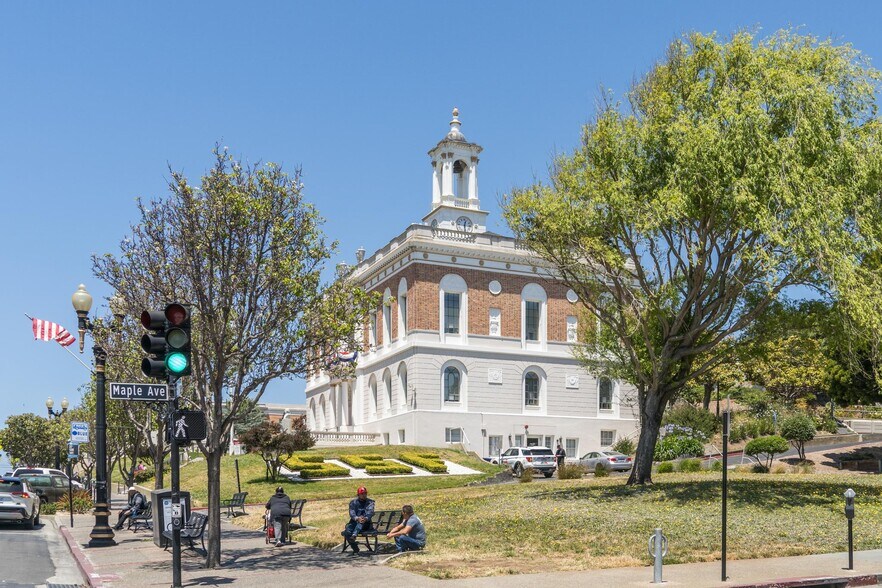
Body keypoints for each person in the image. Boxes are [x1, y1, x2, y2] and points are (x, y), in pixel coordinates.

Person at [341, 486, 374, 554]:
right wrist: (357, 518)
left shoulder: (370, 502)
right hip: (354, 523)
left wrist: (365, 518)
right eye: (362, 494)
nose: (364, 495)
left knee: (362, 520)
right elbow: (352, 513)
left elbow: (370, 513)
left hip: (366, 525)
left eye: (365, 493)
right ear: (358, 495)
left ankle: (354, 535)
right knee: (347, 531)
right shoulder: (353, 502)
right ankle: (355, 548)